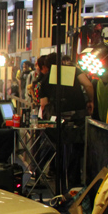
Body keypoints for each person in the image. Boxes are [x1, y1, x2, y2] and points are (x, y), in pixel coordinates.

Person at [39, 52, 94, 189]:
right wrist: (91, 100)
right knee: (76, 150)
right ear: (62, 61)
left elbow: (44, 104)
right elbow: (88, 85)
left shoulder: (45, 80)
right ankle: (73, 183)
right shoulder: (73, 70)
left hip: (58, 121)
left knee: (59, 151)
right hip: (77, 117)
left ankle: (61, 182)